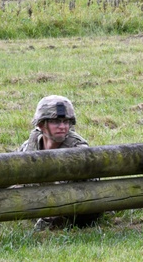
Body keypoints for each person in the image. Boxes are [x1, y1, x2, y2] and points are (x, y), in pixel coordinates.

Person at [19, 95, 96, 230]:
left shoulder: (78, 150)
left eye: (66, 122)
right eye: (56, 122)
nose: (62, 127)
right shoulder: (29, 146)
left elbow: (82, 194)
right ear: (41, 124)